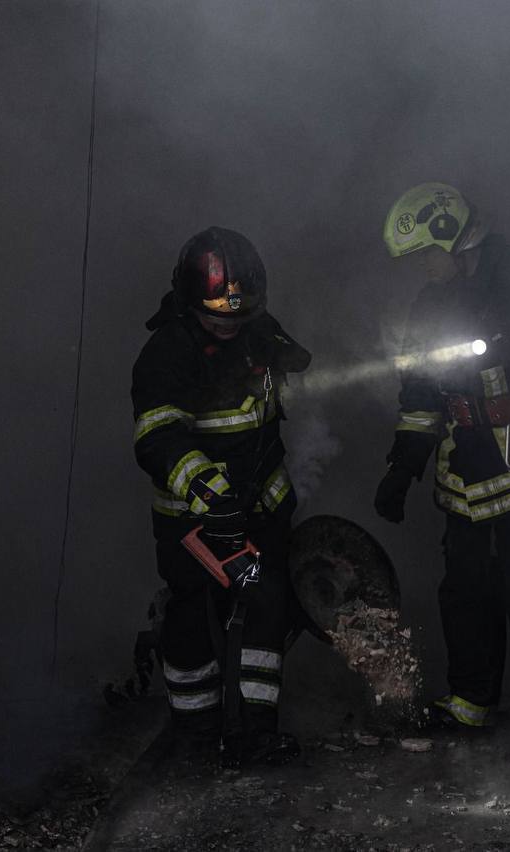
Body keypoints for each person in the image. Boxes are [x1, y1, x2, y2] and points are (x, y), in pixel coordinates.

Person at [374, 183, 510, 759]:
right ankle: (469, 705)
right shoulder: (429, 303)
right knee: (466, 595)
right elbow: (421, 397)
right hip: (464, 482)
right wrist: (404, 466)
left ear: (453, 236)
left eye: (427, 253)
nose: (423, 268)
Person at [132, 226, 309, 766]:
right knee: (191, 622)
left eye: (237, 316)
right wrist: (211, 495)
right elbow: (158, 440)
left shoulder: (260, 332)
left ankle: (258, 734)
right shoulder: (168, 352)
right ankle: (196, 739)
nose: (227, 324)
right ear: (189, 302)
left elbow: (294, 372)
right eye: (216, 316)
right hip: (196, 527)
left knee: (267, 608)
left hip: (260, 515)